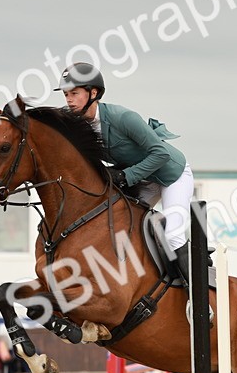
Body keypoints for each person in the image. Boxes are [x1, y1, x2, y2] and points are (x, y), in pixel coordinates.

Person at [55, 61, 195, 283]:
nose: (69, 100)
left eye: (74, 93)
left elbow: (160, 154)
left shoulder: (122, 117)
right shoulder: (79, 125)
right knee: (119, 228)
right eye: (66, 95)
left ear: (93, 93)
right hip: (144, 180)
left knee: (173, 237)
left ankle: (197, 295)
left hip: (172, 176)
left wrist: (124, 176)